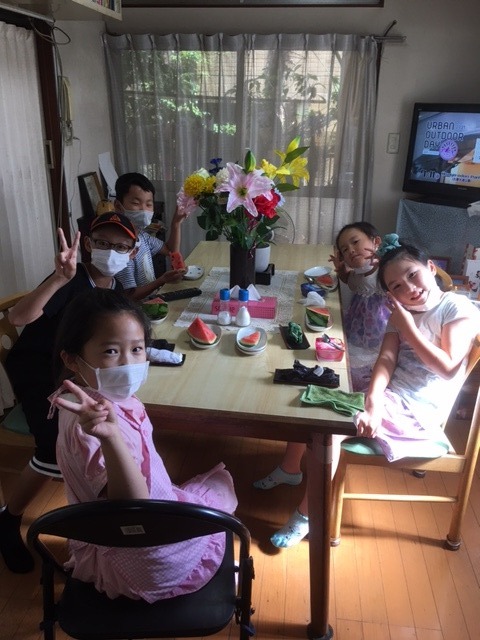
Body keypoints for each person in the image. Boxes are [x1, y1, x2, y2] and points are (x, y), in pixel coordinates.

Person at [254, 236, 480, 548]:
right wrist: (373, 402)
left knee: (330, 429)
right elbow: (386, 359)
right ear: (390, 293)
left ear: (430, 268)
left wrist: (408, 327)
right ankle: (291, 469)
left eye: (413, 275)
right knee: (315, 389)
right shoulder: (402, 312)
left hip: (417, 411)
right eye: (397, 286)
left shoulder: (455, 307)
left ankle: (307, 515)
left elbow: (447, 368)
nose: (409, 288)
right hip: (390, 395)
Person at [49, 288, 237, 602]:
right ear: (71, 359)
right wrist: (110, 437)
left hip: (122, 534)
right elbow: (133, 512)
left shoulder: (90, 399)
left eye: (137, 349)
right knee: (221, 488)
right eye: (111, 351)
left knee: (209, 490)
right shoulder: (91, 427)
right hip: (148, 559)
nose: (129, 363)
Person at [0, 212, 137, 573]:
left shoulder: (113, 289)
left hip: (78, 372)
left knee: (119, 422)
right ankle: (8, 519)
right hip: (40, 372)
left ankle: (111, 502)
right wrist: (58, 278)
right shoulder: (72, 279)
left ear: (132, 253)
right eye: (103, 243)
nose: (111, 252)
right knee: (52, 450)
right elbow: (18, 317)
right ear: (88, 244)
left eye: (121, 246)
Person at [329, 222, 391, 391]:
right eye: (345, 250)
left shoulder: (385, 269)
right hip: (358, 325)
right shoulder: (359, 272)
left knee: (366, 362)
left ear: (376, 242)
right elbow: (352, 281)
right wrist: (342, 271)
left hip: (380, 332)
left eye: (355, 242)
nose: (351, 250)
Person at [114, 172, 188, 300]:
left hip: (152, 302)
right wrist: (162, 280)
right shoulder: (121, 249)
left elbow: (170, 250)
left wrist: (176, 224)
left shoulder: (143, 236)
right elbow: (129, 296)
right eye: (136, 203)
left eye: (148, 204)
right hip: (135, 309)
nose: (144, 210)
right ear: (118, 206)